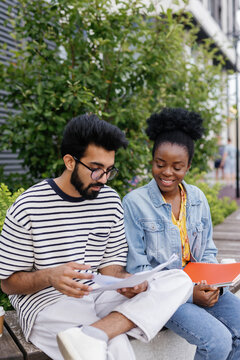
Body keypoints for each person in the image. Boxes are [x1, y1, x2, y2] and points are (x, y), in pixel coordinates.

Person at [0, 114, 192, 360]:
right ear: (70, 161)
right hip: (47, 304)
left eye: (109, 170)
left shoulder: (109, 201)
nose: (103, 179)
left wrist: (129, 282)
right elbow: (7, 283)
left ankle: (93, 333)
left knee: (178, 280)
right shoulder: (29, 205)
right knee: (118, 348)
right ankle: (96, 335)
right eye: (96, 169)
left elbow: (111, 268)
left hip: (97, 294)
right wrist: (50, 276)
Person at [123, 108, 240, 360]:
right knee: (217, 342)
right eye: (160, 164)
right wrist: (189, 295)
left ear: (188, 166)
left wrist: (214, 287)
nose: (167, 173)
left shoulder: (197, 198)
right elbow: (138, 269)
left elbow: (207, 251)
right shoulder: (134, 203)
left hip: (201, 286)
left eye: (177, 167)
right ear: (152, 160)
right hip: (161, 295)